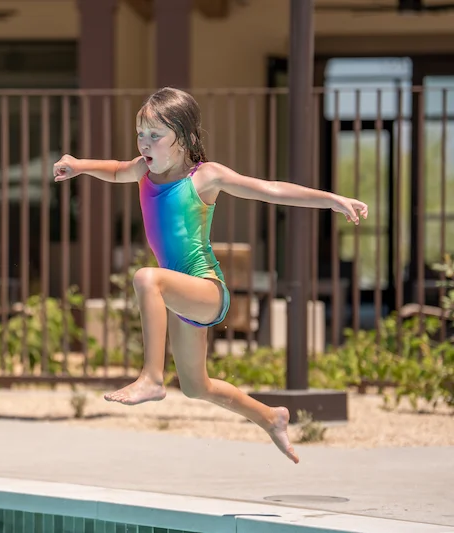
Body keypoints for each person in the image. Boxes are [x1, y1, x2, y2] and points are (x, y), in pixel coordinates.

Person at [52, 87, 368, 464]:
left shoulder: (205, 177)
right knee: (196, 387)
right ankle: (271, 418)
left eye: (155, 135)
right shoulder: (142, 170)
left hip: (207, 289)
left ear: (183, 139)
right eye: (140, 134)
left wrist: (330, 199)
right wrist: (79, 164)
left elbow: (270, 190)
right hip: (181, 296)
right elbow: (117, 169)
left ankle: (152, 378)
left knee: (146, 278)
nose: (144, 143)